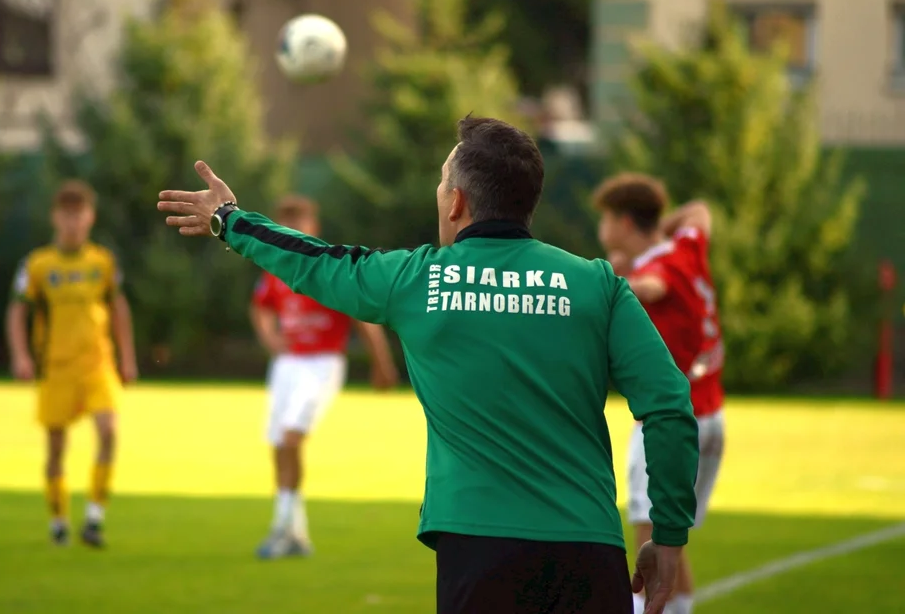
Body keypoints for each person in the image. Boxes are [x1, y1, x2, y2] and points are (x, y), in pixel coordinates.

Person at [158, 116, 699, 614]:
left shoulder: (415, 281)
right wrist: (670, 534)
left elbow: (313, 261)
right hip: (588, 548)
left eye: (442, 184)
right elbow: (669, 404)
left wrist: (228, 219)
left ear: (457, 202)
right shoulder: (597, 284)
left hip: (478, 548)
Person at [593, 174, 726, 614]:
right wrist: (657, 233)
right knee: (670, 538)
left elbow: (654, 288)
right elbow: (700, 210)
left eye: (606, 218)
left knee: (650, 537)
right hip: (710, 415)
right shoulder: (684, 245)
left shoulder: (655, 271)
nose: (602, 228)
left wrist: (611, 284)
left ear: (624, 222)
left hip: (669, 423)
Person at [250, 194, 400, 559]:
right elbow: (260, 307)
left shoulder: (324, 266)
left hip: (322, 363)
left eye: (299, 223)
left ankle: (284, 530)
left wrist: (382, 364)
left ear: (313, 228)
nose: (293, 231)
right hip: (287, 365)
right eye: (286, 224)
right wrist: (270, 337)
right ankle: (294, 532)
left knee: (290, 438)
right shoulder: (276, 269)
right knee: (278, 444)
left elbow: (361, 316)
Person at [6, 180, 139, 548]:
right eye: (66, 215)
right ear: (55, 218)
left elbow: (118, 307)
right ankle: (59, 521)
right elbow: (17, 310)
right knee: (55, 448)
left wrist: (127, 358)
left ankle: (95, 517)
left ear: (90, 217)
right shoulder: (37, 265)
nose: (73, 222)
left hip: (97, 364)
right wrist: (20, 355)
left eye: (79, 215)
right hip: (56, 368)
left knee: (109, 432)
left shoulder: (103, 262)